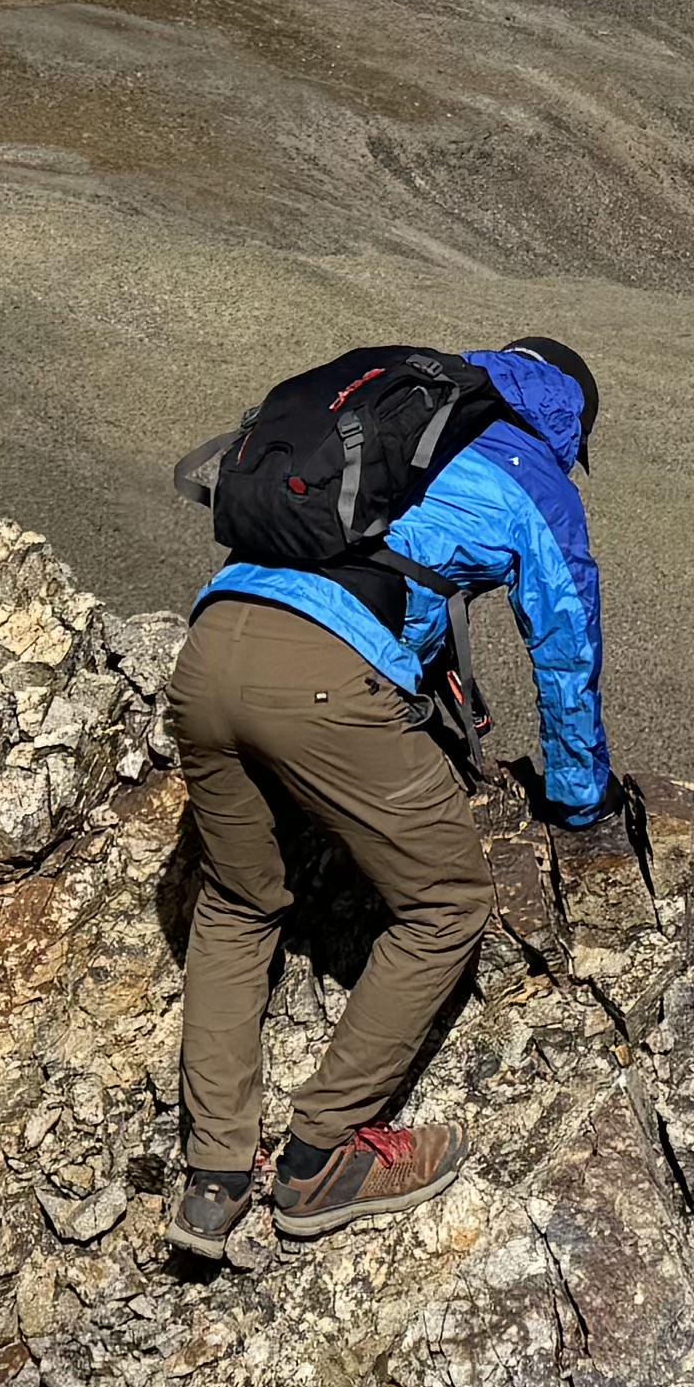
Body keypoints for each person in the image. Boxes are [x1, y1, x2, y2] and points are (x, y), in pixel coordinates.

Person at [160, 336, 610, 1267]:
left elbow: (381, 567)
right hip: (320, 686)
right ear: (567, 422)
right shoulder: (534, 476)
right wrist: (577, 800)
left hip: (209, 650)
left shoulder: (388, 429)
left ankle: (212, 1178)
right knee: (446, 903)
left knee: (240, 901)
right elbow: (564, 652)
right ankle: (322, 1156)